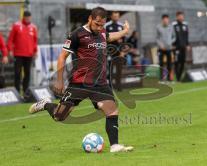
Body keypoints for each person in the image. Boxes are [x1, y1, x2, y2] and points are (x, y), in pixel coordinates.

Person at [28, 7, 133, 153]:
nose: (99, 27)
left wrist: (124, 32)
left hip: (100, 83)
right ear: (90, 18)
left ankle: (114, 146)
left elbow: (109, 36)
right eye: (97, 24)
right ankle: (45, 104)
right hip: (79, 83)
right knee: (60, 116)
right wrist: (59, 80)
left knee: (112, 110)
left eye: (102, 25)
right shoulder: (77, 34)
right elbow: (62, 57)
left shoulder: (101, 32)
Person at [6, 11, 38, 93]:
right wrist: (9, 50)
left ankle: (25, 91)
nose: (28, 19)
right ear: (23, 17)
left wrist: (35, 51)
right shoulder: (16, 25)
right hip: (18, 54)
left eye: (29, 17)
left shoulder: (33, 27)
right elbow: (10, 39)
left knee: (27, 73)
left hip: (29, 54)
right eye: (26, 17)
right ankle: (17, 91)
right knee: (17, 73)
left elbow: (35, 41)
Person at [105, 11, 125, 91]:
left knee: (119, 69)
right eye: (115, 16)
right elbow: (104, 38)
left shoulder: (121, 26)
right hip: (110, 51)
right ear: (111, 17)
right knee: (110, 68)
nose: (116, 17)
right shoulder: (107, 26)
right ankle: (110, 86)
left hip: (119, 51)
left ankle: (118, 86)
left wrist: (123, 51)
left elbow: (124, 39)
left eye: (117, 16)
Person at [156, 14, 175, 81]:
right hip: (161, 49)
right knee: (161, 64)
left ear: (168, 20)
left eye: (167, 19)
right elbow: (157, 38)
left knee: (169, 64)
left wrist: (170, 42)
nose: (165, 20)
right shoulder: (158, 27)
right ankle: (161, 79)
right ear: (162, 20)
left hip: (168, 48)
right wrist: (161, 45)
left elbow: (174, 37)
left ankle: (169, 79)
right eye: (164, 19)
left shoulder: (171, 27)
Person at [172, 11, 190, 82]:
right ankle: (178, 78)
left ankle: (179, 77)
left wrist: (187, 44)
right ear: (177, 17)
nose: (181, 17)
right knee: (177, 62)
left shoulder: (185, 25)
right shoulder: (174, 25)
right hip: (176, 47)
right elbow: (171, 35)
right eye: (179, 16)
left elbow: (186, 36)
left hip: (183, 47)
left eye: (182, 16)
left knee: (182, 62)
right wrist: (172, 44)